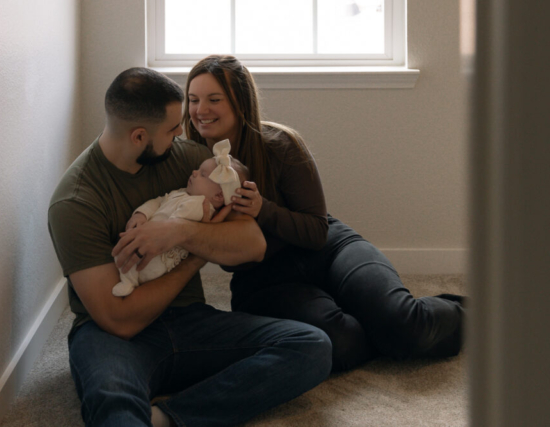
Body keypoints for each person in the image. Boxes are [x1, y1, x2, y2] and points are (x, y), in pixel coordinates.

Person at [48, 67, 332, 427]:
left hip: (190, 320)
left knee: (311, 346)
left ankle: (170, 418)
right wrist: (196, 255)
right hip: (114, 338)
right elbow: (118, 320)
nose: (183, 132)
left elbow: (252, 244)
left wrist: (177, 232)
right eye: (171, 129)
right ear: (138, 136)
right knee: (114, 407)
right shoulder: (76, 202)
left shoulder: (183, 158)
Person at [181, 54, 465, 373]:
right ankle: (376, 328)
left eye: (213, 99)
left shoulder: (281, 144)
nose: (200, 110)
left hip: (329, 248)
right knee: (340, 346)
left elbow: (317, 231)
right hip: (264, 279)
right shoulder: (190, 166)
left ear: (240, 102)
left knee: (402, 325)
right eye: (193, 100)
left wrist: (264, 210)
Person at [113, 140, 249, 297]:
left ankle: (130, 282)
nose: (194, 172)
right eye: (198, 169)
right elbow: (159, 201)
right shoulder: (182, 192)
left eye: (202, 174)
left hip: (161, 256)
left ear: (219, 195)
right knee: (123, 251)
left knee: (143, 266)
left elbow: (177, 224)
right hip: (147, 235)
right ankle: (128, 280)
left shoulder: (200, 207)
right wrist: (141, 214)